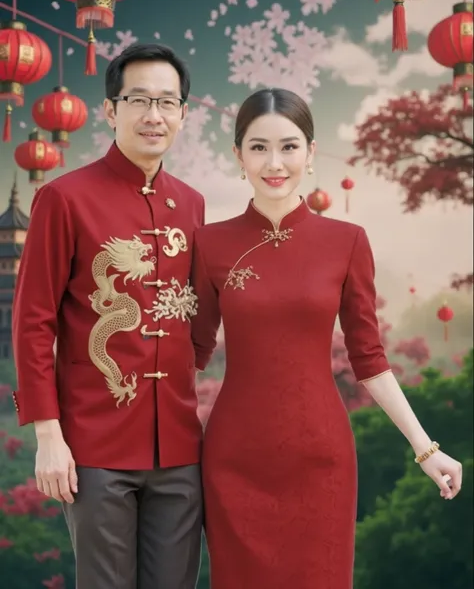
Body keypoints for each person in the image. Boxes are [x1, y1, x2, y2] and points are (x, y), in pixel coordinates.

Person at [190, 87, 463, 589]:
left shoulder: (347, 242)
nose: (275, 162)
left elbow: (369, 358)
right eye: (258, 147)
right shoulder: (208, 244)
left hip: (321, 460)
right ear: (238, 155)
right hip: (234, 459)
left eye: (289, 146)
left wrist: (426, 449)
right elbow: (193, 354)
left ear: (311, 153)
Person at [12, 43, 205, 589]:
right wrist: (48, 436)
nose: (153, 115)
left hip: (179, 444)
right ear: (110, 110)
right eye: (138, 99)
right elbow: (33, 323)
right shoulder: (64, 198)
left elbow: (193, 312)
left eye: (167, 102)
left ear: (183, 113)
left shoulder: (191, 204)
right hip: (94, 446)